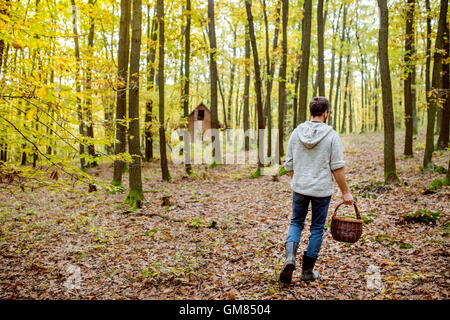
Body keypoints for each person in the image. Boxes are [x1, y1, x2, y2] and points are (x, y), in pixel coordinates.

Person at [279, 96, 354, 284]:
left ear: (311, 111)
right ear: (326, 113)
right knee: (317, 229)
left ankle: (290, 259)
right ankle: (307, 272)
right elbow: (337, 167)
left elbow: (288, 164)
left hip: (300, 188)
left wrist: (297, 180)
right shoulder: (331, 135)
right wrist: (345, 192)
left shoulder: (297, 133)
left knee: (296, 223)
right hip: (321, 190)